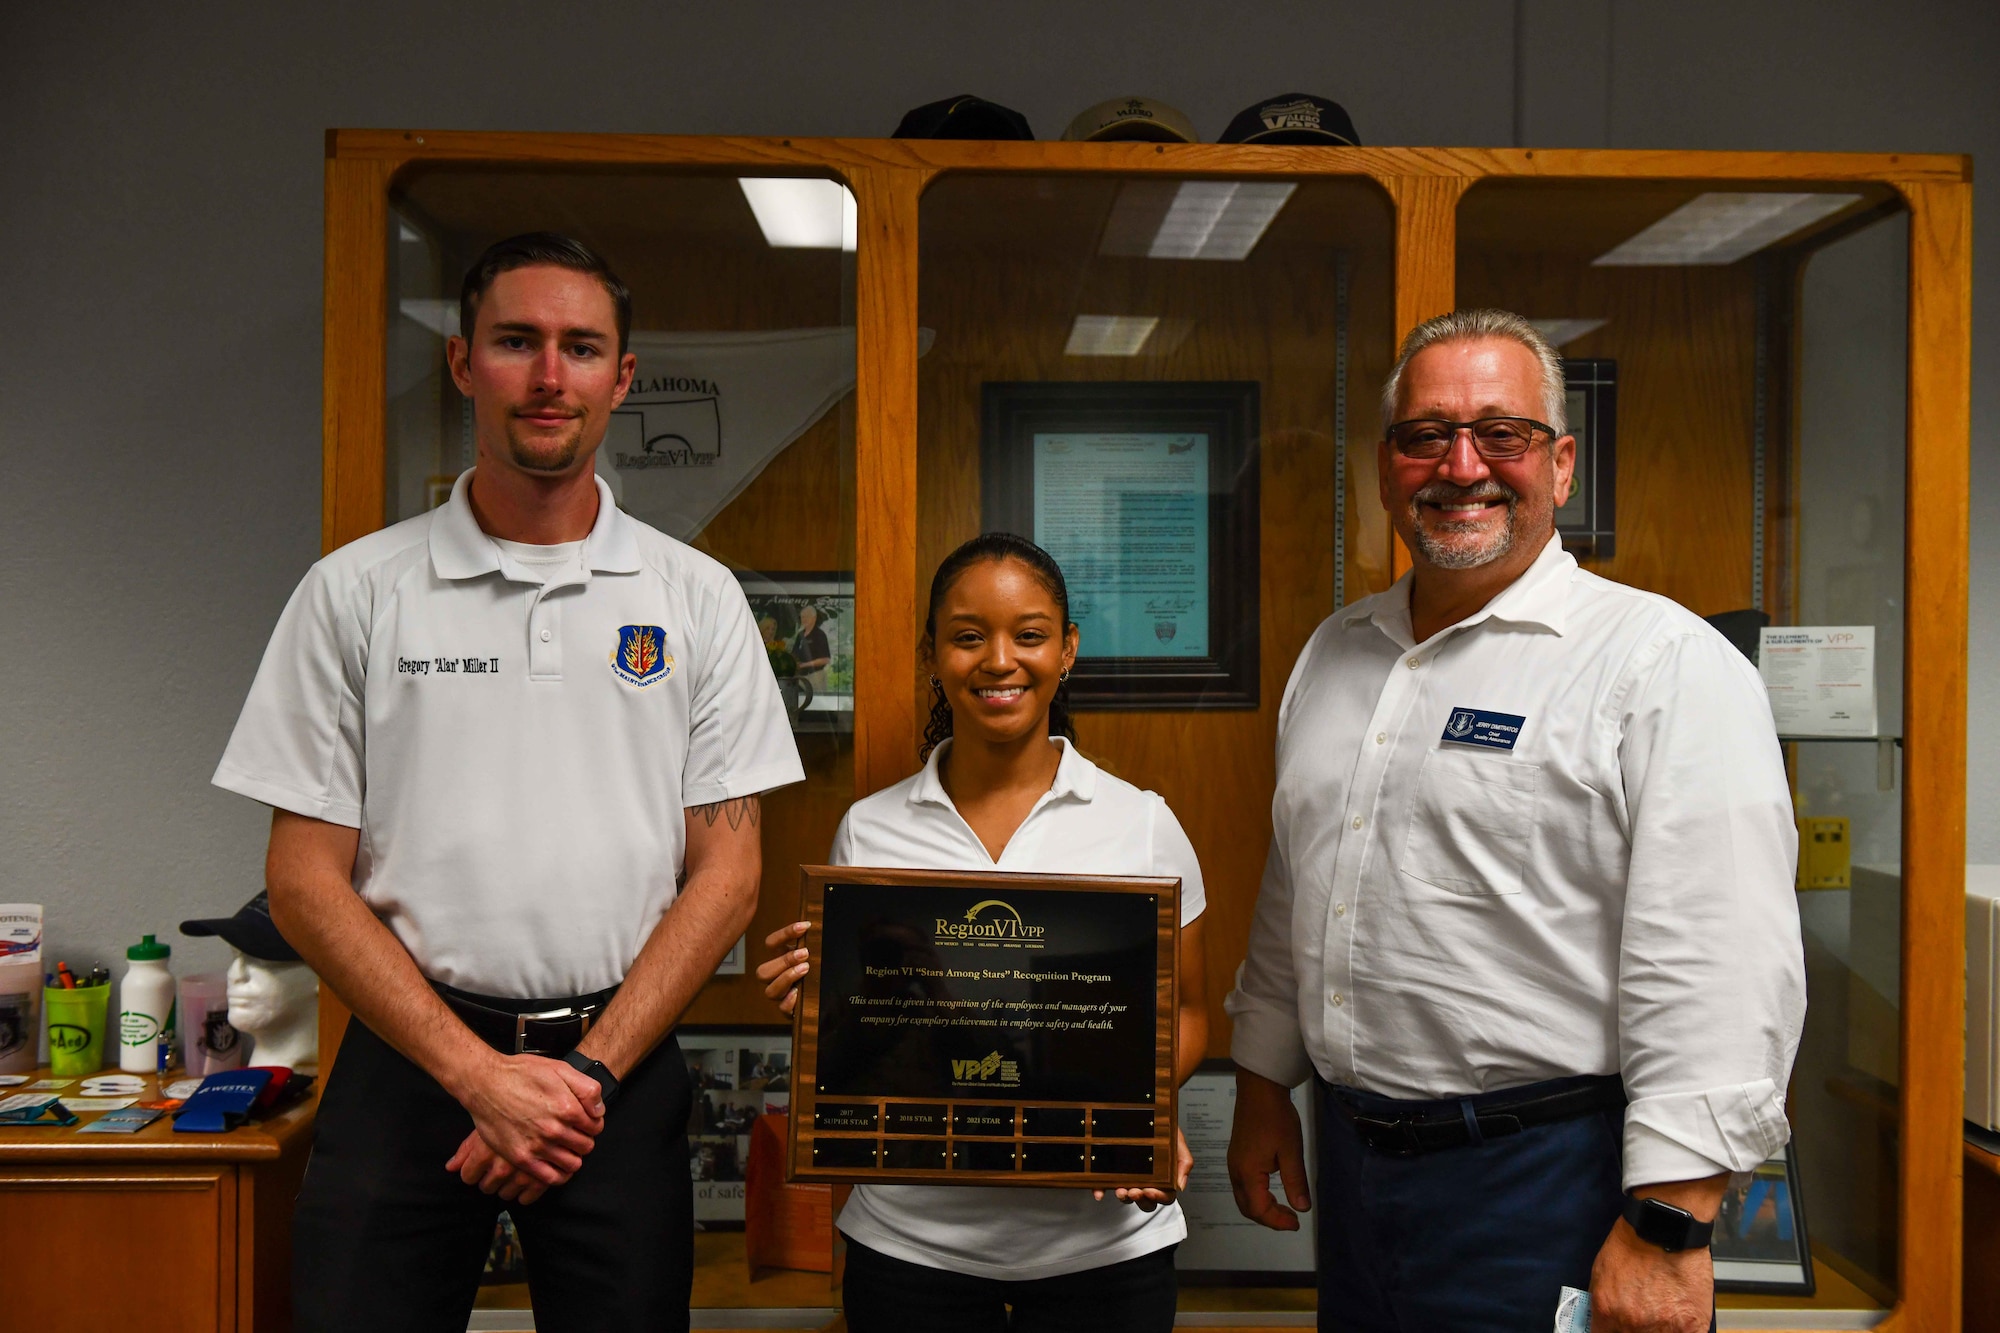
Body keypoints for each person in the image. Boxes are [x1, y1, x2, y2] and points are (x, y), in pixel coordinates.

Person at [213, 232, 803, 1333]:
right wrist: (478, 1077)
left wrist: (577, 1077)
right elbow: (300, 878)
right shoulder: (355, 594)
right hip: (409, 1068)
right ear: (461, 361)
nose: (548, 376)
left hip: (612, 1079)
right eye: (516, 342)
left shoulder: (697, 599)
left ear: (621, 378)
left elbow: (727, 874)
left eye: (580, 348)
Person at [1224, 310, 1805, 1332]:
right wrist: (1263, 1082)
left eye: (1502, 433)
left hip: (1554, 1184)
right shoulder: (1334, 654)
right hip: (1356, 1174)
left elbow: (1718, 959)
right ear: (1385, 462)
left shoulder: (1656, 663)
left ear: (1561, 462)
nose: (1461, 465)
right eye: (1424, 435)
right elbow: (1299, 888)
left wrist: (1671, 1227)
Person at [758, 533, 1209, 1333]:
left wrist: (1141, 1108)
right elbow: (858, 1040)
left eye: (1029, 634)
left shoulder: (1143, 824)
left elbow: (1192, 1013)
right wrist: (815, 1010)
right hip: (912, 1248)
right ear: (933, 654)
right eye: (969, 636)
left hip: (1102, 1250)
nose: (999, 659)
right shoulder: (869, 830)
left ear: (1066, 649)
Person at [792, 603, 832, 680]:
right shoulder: (800, 634)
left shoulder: (820, 635)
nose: (804, 620)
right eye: (802, 617)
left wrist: (805, 665)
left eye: (806, 617)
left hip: (815, 676)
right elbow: (794, 653)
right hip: (799, 677)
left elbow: (825, 659)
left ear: (814, 618)